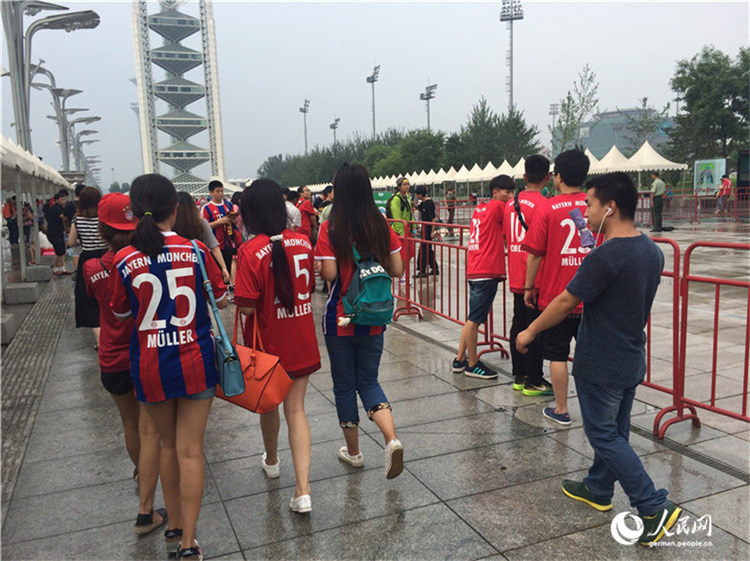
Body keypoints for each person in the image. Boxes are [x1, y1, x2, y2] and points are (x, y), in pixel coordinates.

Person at [516, 172, 682, 546]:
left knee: (603, 434)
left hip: (601, 360)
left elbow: (565, 301)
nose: (585, 212)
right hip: (630, 356)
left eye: (589, 204)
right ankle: (598, 487)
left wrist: (529, 331)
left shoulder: (605, 256)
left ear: (610, 207)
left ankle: (652, 505)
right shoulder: (651, 250)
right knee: (615, 431)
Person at [111, 173, 228, 561]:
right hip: (195, 359)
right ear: (175, 209)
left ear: (134, 211)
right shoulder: (195, 250)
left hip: (149, 365)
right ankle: (188, 542)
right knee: (191, 451)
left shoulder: (124, 259)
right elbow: (220, 298)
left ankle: (173, 520)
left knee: (166, 444)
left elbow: (121, 312)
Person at [235, 179, 321, 514]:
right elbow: (308, 288)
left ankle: (272, 460)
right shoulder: (303, 242)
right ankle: (303, 490)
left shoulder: (249, 251)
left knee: (269, 404)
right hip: (301, 338)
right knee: (296, 410)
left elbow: (246, 307)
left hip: (268, 344)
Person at [314, 163, 405, 479]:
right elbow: (397, 269)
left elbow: (329, 274)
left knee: (344, 385)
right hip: (374, 315)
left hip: (340, 316)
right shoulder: (380, 224)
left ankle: (353, 453)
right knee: (368, 381)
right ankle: (391, 440)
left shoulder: (330, 227)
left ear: (338, 191)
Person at [83, 193, 166, 537]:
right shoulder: (141, 262)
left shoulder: (92, 267)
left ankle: (142, 480)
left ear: (101, 229)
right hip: (144, 352)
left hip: (111, 358)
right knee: (150, 429)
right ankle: (146, 508)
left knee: (130, 425)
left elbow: (97, 303)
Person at [522, 149, 592, 425]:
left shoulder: (547, 208)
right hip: (590, 296)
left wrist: (529, 286)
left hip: (555, 298)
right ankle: (593, 410)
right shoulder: (593, 205)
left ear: (558, 177)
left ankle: (561, 409)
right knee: (589, 356)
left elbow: (535, 254)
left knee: (557, 355)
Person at [451, 175, 514, 380]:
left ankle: (460, 359)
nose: (510, 196)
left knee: (471, 319)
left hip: (475, 267)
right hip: (486, 270)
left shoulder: (481, 208)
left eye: (512, 192)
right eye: (507, 192)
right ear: (495, 192)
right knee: (474, 321)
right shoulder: (499, 207)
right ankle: (472, 364)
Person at [503, 155, 553, 396]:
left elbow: (507, 237)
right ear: (548, 178)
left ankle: (519, 375)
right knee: (535, 328)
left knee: (518, 323)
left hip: (516, 274)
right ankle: (534, 379)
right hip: (535, 278)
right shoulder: (544, 205)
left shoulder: (509, 205)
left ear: (524, 177)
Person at [67, 186, 109, 347]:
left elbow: (71, 242)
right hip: (105, 258)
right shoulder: (104, 218)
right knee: (107, 295)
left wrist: (83, 240)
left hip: (87, 259)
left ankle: (99, 340)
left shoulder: (77, 219)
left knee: (88, 299)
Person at [173, 191, 230, 285]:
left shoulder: (171, 225)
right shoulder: (201, 223)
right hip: (199, 265)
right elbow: (214, 246)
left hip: (177, 264)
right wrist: (224, 267)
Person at [201, 179, 242, 287]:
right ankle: (221, 288)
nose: (220, 194)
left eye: (222, 191)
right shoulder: (206, 208)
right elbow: (204, 226)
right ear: (211, 193)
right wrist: (219, 222)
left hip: (229, 242)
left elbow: (235, 222)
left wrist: (233, 219)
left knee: (229, 265)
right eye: (217, 191)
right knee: (217, 269)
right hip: (215, 245)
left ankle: (229, 286)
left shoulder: (228, 205)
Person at [414, 185, 439, 278]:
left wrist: (432, 231)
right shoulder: (423, 203)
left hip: (428, 229)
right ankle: (434, 268)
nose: (416, 196)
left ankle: (422, 270)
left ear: (421, 194)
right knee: (427, 249)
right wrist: (410, 203)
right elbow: (418, 208)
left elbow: (433, 218)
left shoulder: (429, 203)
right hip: (424, 228)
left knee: (424, 250)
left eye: (417, 194)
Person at [44, 191, 72, 275]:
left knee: (61, 250)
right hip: (54, 232)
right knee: (60, 250)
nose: (64, 201)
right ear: (56, 200)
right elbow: (64, 218)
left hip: (59, 231)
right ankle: (58, 268)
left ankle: (59, 268)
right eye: (62, 199)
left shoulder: (61, 208)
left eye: (64, 199)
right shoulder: (55, 208)